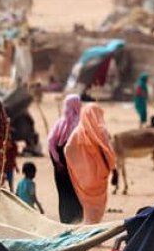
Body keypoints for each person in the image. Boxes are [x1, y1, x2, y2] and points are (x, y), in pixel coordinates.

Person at [65, 103, 116, 224]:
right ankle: (93, 229)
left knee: (88, 207)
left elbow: (67, 149)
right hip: (99, 178)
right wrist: (111, 167)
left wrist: (79, 167)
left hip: (83, 181)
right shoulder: (101, 131)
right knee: (98, 207)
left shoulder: (77, 132)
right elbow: (109, 152)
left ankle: (89, 226)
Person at [47, 94, 84, 223]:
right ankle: (77, 221)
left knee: (63, 194)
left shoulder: (59, 122)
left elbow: (50, 143)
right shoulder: (81, 122)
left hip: (60, 165)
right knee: (77, 192)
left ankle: (66, 222)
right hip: (76, 164)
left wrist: (57, 162)